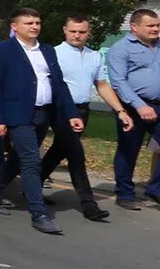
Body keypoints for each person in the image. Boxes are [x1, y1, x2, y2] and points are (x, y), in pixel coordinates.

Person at [0, 8, 82, 234]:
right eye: (28, 23)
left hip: (42, 113)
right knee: (31, 161)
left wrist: (72, 113)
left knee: (19, 158)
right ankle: (39, 213)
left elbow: (59, 84)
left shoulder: (47, 50)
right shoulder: (2, 51)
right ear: (14, 27)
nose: (34, 26)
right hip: (17, 114)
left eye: (37, 22)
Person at [35, 15, 124, 223]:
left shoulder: (94, 56)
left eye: (82, 32)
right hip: (61, 109)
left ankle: (26, 183)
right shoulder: (53, 53)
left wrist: (120, 110)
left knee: (58, 151)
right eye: (73, 31)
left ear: (88, 32)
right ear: (65, 30)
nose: (77, 35)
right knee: (76, 154)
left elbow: (102, 85)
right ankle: (88, 204)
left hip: (83, 109)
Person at [106, 8, 160, 213]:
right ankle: (124, 193)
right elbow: (118, 81)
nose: (155, 29)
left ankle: (157, 189)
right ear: (134, 27)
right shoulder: (120, 49)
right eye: (150, 25)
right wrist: (139, 105)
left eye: (158, 25)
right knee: (128, 151)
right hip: (134, 107)